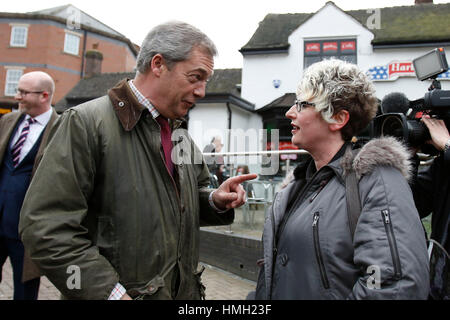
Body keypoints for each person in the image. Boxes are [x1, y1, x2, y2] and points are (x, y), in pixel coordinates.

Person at [18, 21, 256, 300]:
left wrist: (215, 199)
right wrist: (111, 294)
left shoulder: (180, 135)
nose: (202, 91)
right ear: (158, 64)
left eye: (206, 81)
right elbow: (45, 228)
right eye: (195, 77)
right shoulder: (85, 124)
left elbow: (183, 203)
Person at [253, 59, 429, 299]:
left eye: (302, 104)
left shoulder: (377, 181)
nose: (289, 113)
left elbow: (393, 286)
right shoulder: (297, 186)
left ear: (338, 118)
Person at [0, 71, 58, 300]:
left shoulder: (63, 128)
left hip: (27, 231)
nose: (18, 97)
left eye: (24, 92)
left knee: (25, 292)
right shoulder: (8, 121)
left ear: (44, 95)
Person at [410, 115, 450, 299]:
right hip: (441, 278)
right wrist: (408, 158)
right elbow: (412, 205)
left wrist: (448, 146)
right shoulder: (443, 165)